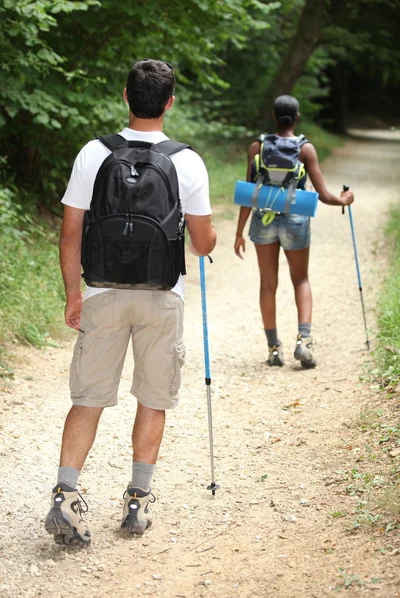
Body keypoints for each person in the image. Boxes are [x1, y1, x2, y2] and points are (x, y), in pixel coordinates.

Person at [45, 59, 216, 546]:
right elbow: (203, 245)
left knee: (88, 398)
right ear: (169, 102)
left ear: (125, 96)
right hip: (162, 297)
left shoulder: (93, 154)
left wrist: (74, 293)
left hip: (101, 292)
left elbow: (70, 231)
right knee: (153, 397)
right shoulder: (187, 162)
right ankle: (137, 501)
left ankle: (66, 493)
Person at [234, 94, 354, 368]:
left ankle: (274, 349)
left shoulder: (257, 147)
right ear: (297, 118)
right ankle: (304, 342)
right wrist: (343, 200)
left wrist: (239, 231)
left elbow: (251, 191)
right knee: (300, 280)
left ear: (274, 116)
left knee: (267, 284)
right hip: (296, 220)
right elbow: (323, 195)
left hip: (263, 218)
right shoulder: (305, 149)